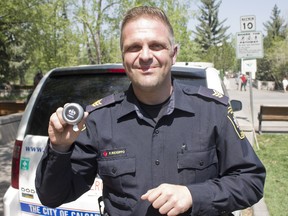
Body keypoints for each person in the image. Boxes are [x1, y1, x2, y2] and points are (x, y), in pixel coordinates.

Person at [35, 6, 266, 216]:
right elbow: (52, 196)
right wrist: (60, 148)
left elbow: (251, 181)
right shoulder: (99, 120)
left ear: (173, 53)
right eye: (134, 47)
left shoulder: (212, 111)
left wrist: (194, 195)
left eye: (156, 45)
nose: (145, 56)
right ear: (123, 58)